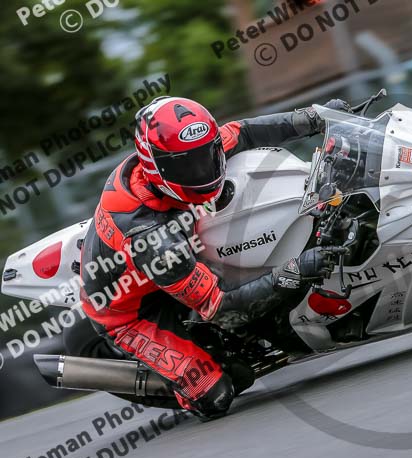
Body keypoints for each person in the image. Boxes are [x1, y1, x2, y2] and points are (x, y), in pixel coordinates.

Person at [79, 96, 350, 419]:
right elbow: (221, 310)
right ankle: (179, 383)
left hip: (176, 255)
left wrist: (314, 117)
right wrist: (295, 271)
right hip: (132, 313)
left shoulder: (191, 149)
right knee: (219, 390)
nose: (203, 170)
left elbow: (244, 132)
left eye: (208, 156)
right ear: (156, 168)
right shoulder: (151, 241)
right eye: (187, 166)